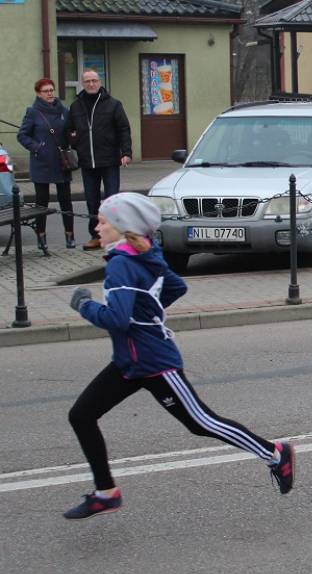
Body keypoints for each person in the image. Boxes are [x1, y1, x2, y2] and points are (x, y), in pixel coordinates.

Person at [64, 193, 294, 519]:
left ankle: (275, 453)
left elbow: (116, 319)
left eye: (103, 221)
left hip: (156, 364)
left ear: (122, 227)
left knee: (202, 422)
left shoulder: (121, 265)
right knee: (82, 415)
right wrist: (148, 314)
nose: (97, 227)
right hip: (129, 363)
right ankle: (106, 492)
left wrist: (84, 305)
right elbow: (174, 288)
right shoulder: (143, 255)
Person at [65, 70, 131, 251]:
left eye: (94, 80)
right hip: (87, 162)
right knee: (92, 201)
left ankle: (115, 236)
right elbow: (70, 129)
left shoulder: (114, 104)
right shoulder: (76, 106)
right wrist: (74, 141)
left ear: (100, 82)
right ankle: (96, 237)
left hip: (110, 159)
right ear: (82, 84)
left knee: (112, 200)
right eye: (87, 81)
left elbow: (123, 129)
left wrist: (126, 152)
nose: (91, 84)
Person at [16, 78, 76, 251]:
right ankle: (41, 237)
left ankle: (70, 236)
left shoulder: (64, 110)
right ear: (38, 93)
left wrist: (73, 138)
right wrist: (37, 147)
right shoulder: (33, 112)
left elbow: (71, 130)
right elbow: (22, 135)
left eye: (51, 90)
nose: (50, 94)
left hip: (61, 162)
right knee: (42, 203)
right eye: (46, 91)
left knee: (66, 200)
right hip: (41, 162)